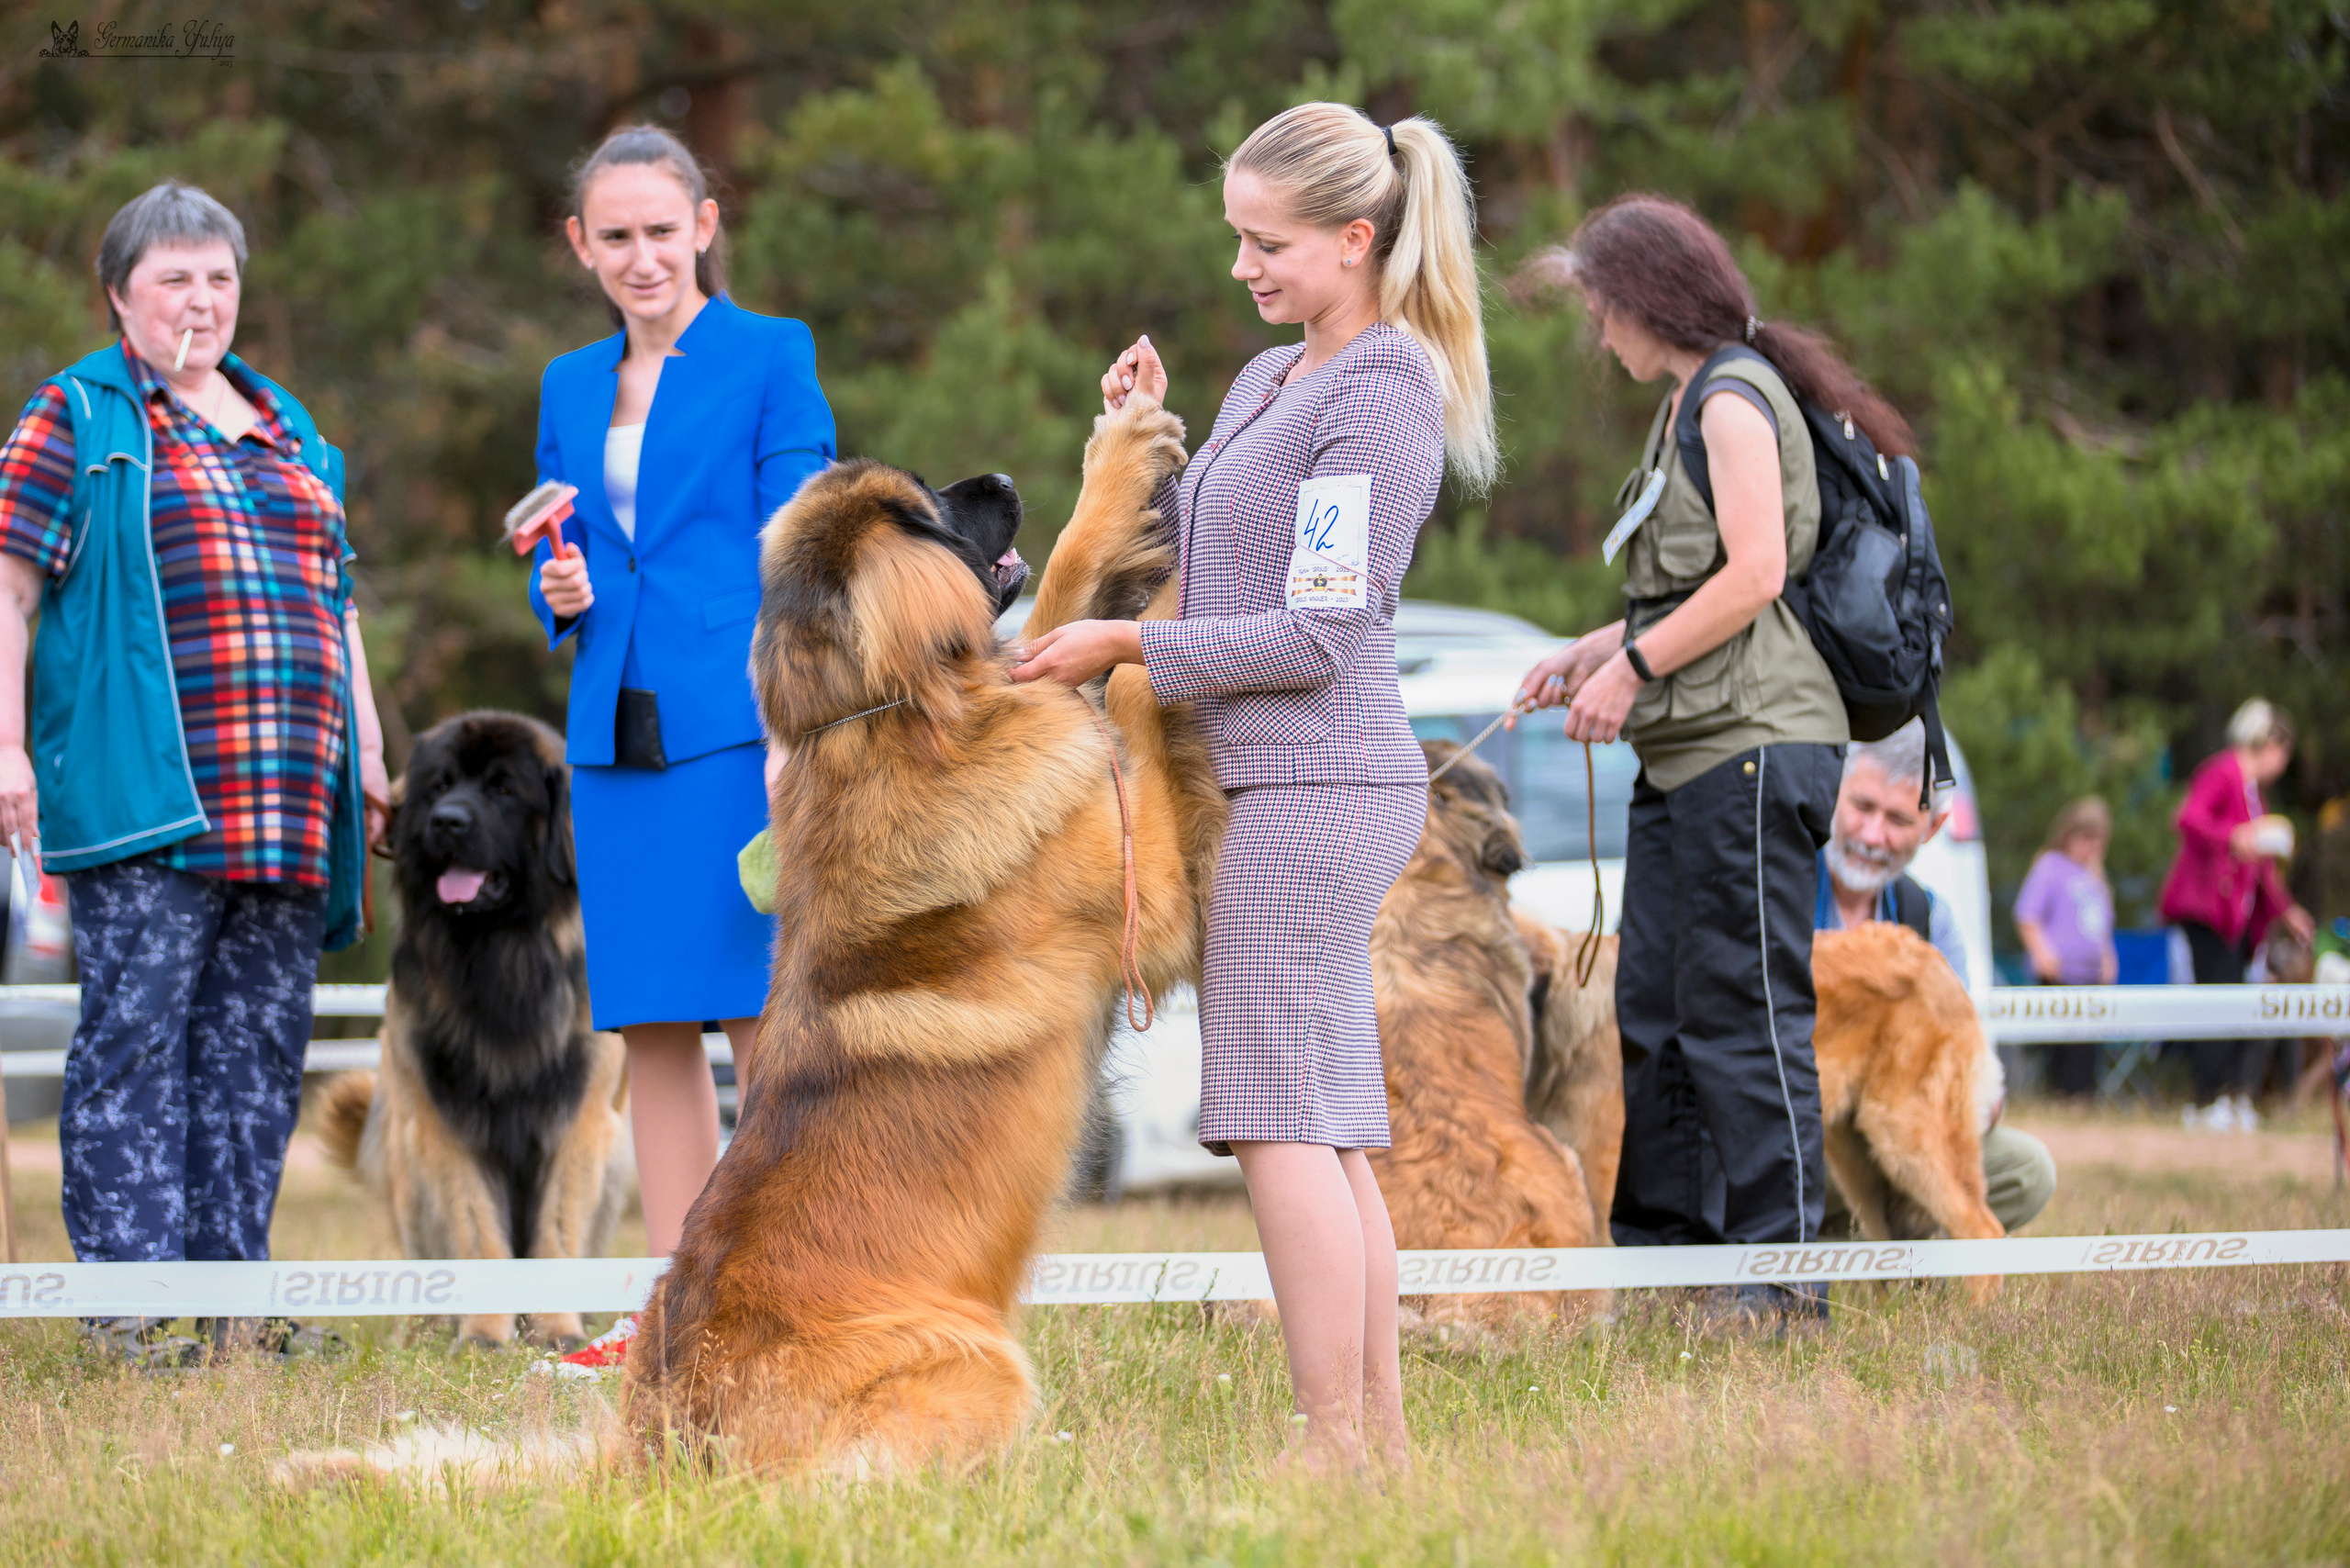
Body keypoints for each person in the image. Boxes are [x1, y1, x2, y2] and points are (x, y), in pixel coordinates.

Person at [1012, 104, 1494, 1467]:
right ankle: (1378, 1442)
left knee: (1280, 1124)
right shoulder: (1271, 382)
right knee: (1332, 1129)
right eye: (1235, 238)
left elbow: (1317, 634)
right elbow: (1213, 552)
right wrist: (1137, 429)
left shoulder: (1382, 392)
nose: (1242, 268)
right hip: (1258, 788)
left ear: (1356, 240)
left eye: (1265, 242)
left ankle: (1331, 1441)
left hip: (1313, 790)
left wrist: (1125, 645)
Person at [0, 182, 392, 1367]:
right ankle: (129, 1310)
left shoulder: (289, 429)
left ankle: (231, 1302)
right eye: (174, 277)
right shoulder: (76, 416)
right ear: (121, 295)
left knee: (254, 1057)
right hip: (144, 798)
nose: (201, 299)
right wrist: (4, 745)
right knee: (136, 1046)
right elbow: (8, 589)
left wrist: (368, 749)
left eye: (218, 277)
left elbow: (341, 604)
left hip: (283, 804)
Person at [1509, 196, 1876, 1322]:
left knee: (1742, 1013)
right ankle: (1668, 1264)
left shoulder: (1728, 397)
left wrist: (1632, 668)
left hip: (1755, 750)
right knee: (1656, 1011)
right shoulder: (1681, 405)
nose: (1596, 334)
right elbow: (1686, 585)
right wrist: (1590, 652)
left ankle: (1780, 1280)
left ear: (1644, 299)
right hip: (1687, 757)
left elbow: (1757, 571)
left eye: (1598, 310)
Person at [524, 127, 836, 1372]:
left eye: (663, 230)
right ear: (579, 245)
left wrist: (791, 728)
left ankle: (788, 1294)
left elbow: (805, 546)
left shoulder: (772, 354)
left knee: (763, 1019)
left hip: (741, 726)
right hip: (612, 736)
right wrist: (559, 585)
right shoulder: (562, 385)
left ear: (706, 223)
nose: (641, 256)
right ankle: (676, 1312)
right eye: (616, 236)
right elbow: (577, 566)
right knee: (651, 1023)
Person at [1818, 724, 2056, 1235]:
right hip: (1795, 1128)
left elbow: (1968, 1061)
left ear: (1932, 826)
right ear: (1832, 796)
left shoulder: (1928, 917)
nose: (1873, 834)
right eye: (1862, 807)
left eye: (1899, 819)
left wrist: (1969, 1108)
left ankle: (1895, 1251)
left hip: (1896, 1127)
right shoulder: (1777, 885)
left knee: (2025, 1170)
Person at [2158, 698, 2314, 1133]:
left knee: (2236, 1001)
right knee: (2217, 999)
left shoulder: (2252, 792)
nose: (2282, 765)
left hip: (2235, 918)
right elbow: (2188, 819)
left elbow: (2261, 867)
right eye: (2282, 753)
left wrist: (2288, 911)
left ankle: (2227, 1096)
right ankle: (2205, 1100)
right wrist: (2236, 836)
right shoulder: (2223, 772)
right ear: (2268, 743)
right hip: (2205, 910)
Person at [2014, 797, 2119, 1099]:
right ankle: (2060, 1099)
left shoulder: (2096, 876)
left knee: (2088, 1050)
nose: (2090, 848)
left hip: (2091, 977)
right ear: (2069, 834)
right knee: (2064, 1051)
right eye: (2085, 838)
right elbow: (2027, 915)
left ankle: (2083, 1101)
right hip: (2058, 974)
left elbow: (2101, 925)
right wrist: (2041, 951)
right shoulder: (2050, 866)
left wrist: (2108, 957)